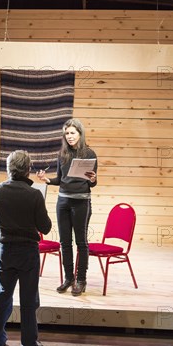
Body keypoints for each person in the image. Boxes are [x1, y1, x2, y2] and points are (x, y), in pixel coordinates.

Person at [0, 150, 52, 346]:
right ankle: (29, 345)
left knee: (2, 297)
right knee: (28, 301)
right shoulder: (34, 194)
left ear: (9, 169)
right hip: (27, 253)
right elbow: (46, 226)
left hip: (5, 251)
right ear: (27, 170)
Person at [37, 118, 97, 296]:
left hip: (81, 202)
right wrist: (47, 180)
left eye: (72, 133)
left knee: (81, 242)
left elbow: (92, 183)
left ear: (80, 133)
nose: (69, 136)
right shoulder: (62, 154)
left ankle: (81, 280)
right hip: (63, 202)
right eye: (67, 133)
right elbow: (60, 179)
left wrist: (93, 179)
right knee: (65, 242)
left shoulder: (89, 153)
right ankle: (69, 277)